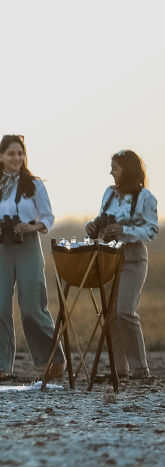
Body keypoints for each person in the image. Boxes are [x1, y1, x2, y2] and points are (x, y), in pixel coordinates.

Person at [0, 135, 57, 382]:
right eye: (11, 153)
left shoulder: (34, 185)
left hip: (28, 246)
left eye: (20, 153)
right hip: (1, 248)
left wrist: (32, 227)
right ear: (1, 156)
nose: (17, 158)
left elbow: (48, 218)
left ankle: (52, 361)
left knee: (33, 308)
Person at [87, 149, 157, 381]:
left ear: (127, 169)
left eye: (115, 168)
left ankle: (141, 368)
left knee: (125, 311)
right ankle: (119, 368)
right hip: (110, 256)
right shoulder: (109, 193)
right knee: (110, 314)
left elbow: (150, 231)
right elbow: (102, 218)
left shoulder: (145, 197)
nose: (111, 172)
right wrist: (94, 227)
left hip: (133, 257)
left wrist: (123, 230)